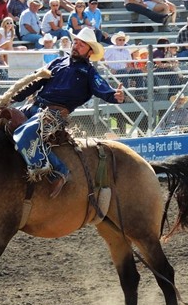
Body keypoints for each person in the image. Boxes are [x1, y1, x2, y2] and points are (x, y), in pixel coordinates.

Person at [10, 28, 124, 198]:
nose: (76, 46)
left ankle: (58, 171)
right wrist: (11, 99)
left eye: (81, 44)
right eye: (75, 42)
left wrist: (115, 96)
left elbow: (104, 90)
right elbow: (34, 82)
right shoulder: (57, 62)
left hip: (54, 114)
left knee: (25, 133)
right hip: (34, 106)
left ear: (90, 51)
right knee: (2, 118)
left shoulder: (89, 73)